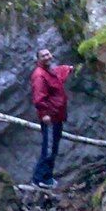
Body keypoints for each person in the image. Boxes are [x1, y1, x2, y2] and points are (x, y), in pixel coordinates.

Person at [30, 48, 73, 187]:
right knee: (48, 148)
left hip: (57, 115)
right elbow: (38, 98)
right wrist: (45, 114)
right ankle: (40, 178)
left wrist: (70, 68)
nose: (47, 57)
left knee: (53, 147)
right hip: (50, 118)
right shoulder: (39, 76)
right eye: (43, 56)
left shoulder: (50, 72)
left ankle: (46, 176)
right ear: (38, 59)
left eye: (48, 54)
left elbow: (59, 72)